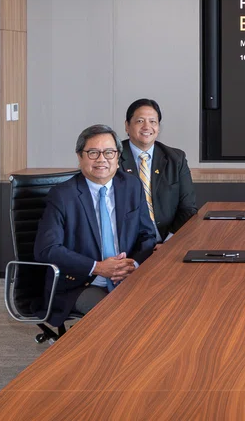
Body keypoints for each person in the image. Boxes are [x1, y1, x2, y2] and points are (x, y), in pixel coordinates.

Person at [34, 125, 157, 327]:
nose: (102, 159)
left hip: (128, 276)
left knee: (164, 305)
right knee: (118, 314)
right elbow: (47, 249)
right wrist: (98, 268)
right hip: (80, 283)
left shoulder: (132, 186)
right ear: (80, 156)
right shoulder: (63, 195)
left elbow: (147, 235)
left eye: (109, 152)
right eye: (93, 153)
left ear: (118, 157)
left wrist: (131, 264)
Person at [119, 99, 197, 242]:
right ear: (127, 126)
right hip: (127, 245)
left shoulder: (175, 159)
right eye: (140, 121)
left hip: (168, 240)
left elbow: (188, 209)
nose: (146, 127)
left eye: (153, 122)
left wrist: (169, 242)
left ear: (159, 127)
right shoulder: (112, 158)